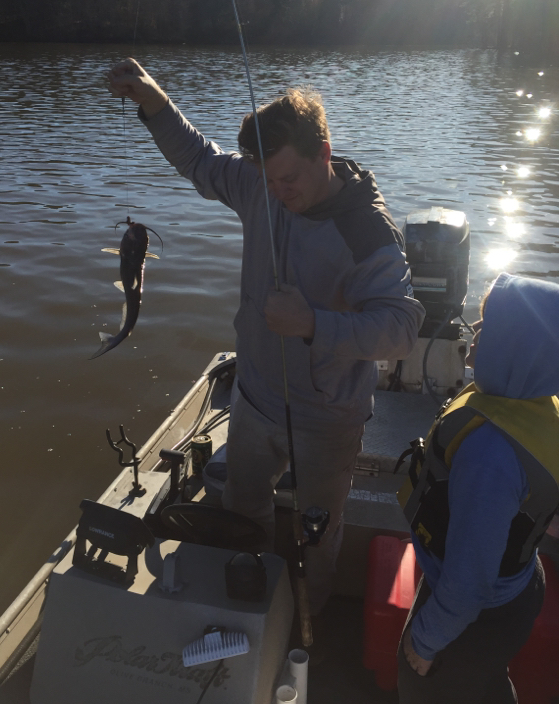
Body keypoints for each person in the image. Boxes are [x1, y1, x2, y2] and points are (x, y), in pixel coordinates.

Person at [107, 58, 425, 622]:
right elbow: (200, 161)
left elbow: (401, 329)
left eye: (290, 181)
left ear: (323, 154)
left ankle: (308, 625)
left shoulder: (367, 232)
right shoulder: (261, 185)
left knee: (316, 533)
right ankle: (242, 605)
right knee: (242, 509)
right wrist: (153, 101)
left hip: (328, 417)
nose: (277, 194)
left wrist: (313, 324)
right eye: (269, 180)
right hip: (253, 399)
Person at [397, 272, 559, 703]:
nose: (476, 333)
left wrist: (426, 641)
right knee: (485, 684)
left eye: (490, 327)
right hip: (520, 586)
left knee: (422, 685)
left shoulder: (490, 454)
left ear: (517, 350)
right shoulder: (538, 405)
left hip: (477, 610)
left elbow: (469, 582)